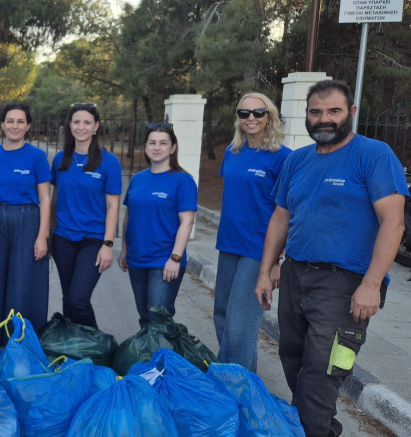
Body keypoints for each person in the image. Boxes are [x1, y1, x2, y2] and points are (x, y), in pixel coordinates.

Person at [254, 79, 407, 437]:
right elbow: (280, 219)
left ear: (351, 113)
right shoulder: (297, 160)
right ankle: (321, 430)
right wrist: (268, 270)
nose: (324, 120)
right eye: (316, 113)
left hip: (348, 285)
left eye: (333, 112)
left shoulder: (374, 155)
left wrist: (371, 285)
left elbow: (393, 222)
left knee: (323, 369)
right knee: (292, 357)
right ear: (306, 115)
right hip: (299, 275)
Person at [214, 93, 291, 372]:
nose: (251, 118)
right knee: (222, 316)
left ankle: (234, 387)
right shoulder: (232, 152)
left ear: (269, 116)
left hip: (259, 250)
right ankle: (242, 380)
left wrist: (279, 261)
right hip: (229, 244)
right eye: (244, 113)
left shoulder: (284, 158)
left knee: (240, 325)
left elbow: (289, 213)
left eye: (258, 112)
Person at [0, 104, 50, 346]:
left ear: (28, 126)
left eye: (20, 121)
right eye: (10, 121)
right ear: (2, 124)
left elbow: (44, 198)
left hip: (26, 220)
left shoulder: (37, 157)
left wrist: (41, 236)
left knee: (21, 284)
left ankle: (19, 342)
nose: (14, 126)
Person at [118, 124, 197, 329]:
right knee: (145, 316)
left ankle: (163, 360)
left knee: (158, 317)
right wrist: (124, 250)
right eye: (152, 143)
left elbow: (187, 222)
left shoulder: (183, 180)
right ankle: (150, 359)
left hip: (164, 260)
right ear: (145, 147)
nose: (157, 147)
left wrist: (175, 258)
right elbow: (129, 216)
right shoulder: (137, 179)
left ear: (173, 148)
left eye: (163, 143)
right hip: (137, 258)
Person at [50, 103, 122, 327]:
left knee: (79, 299)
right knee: (67, 299)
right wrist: (49, 234)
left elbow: (113, 206)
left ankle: (96, 346)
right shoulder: (60, 159)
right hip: (62, 238)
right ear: (69, 125)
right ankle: (73, 349)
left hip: (93, 240)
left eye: (87, 122)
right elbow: (54, 198)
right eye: (76, 122)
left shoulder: (109, 161)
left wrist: (108, 244)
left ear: (96, 126)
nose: (81, 127)